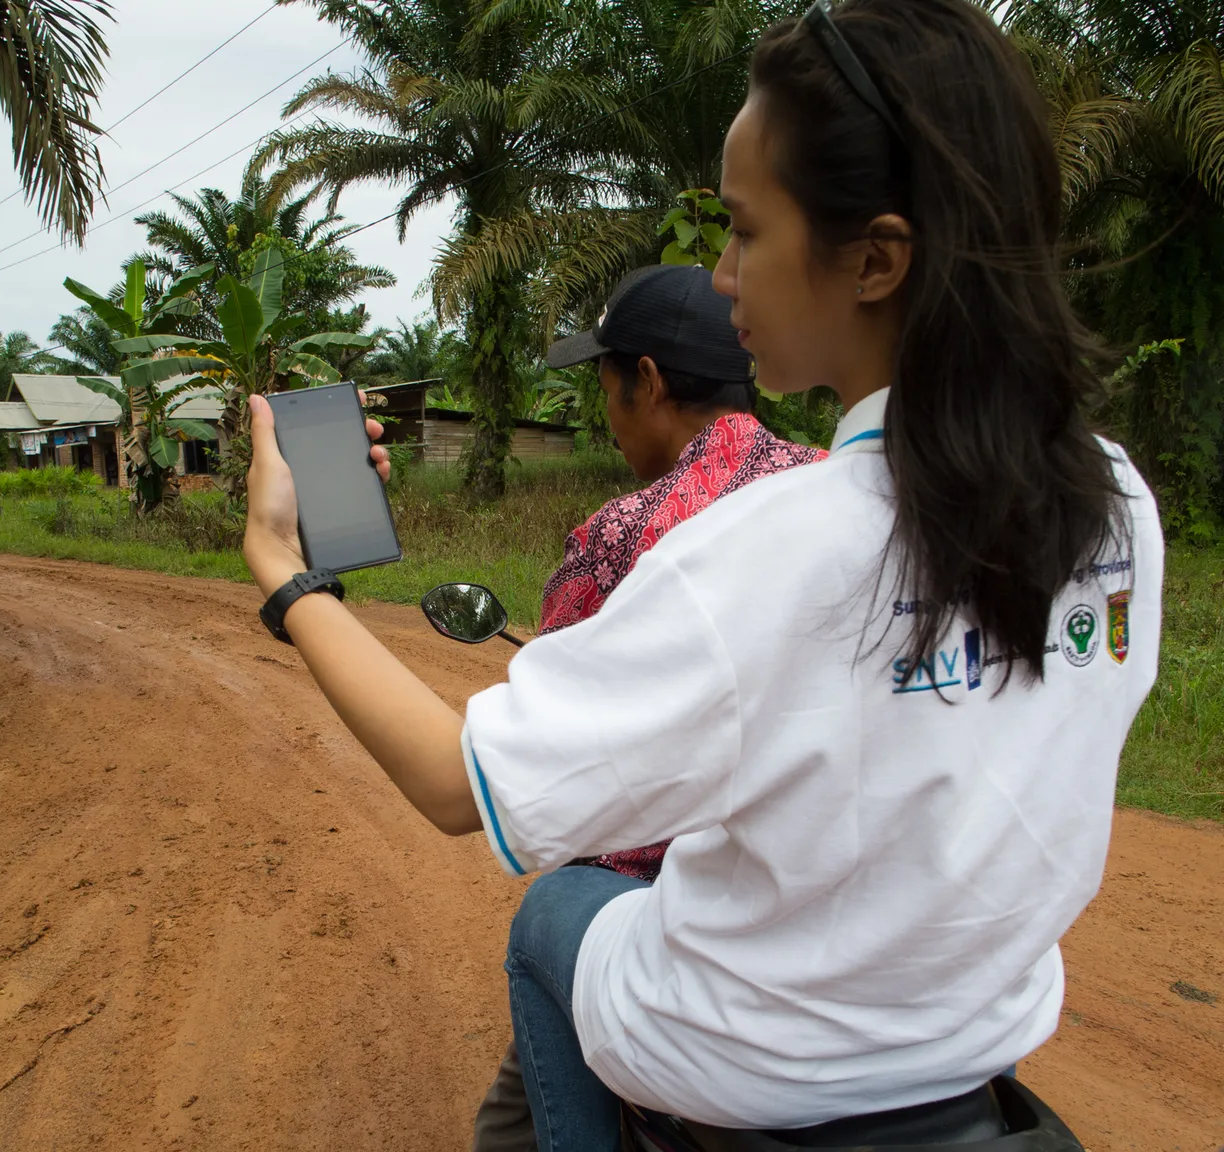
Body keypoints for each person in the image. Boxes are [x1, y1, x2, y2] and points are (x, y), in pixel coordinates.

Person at [239, 0, 1163, 1147]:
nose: (724, 276)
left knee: (559, 912)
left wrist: (286, 571)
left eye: (743, 230)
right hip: (963, 1042)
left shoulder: (768, 547)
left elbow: (453, 784)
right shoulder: (1113, 500)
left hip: (749, 1066)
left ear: (875, 258)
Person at [472, 262, 825, 1152]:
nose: (606, 413)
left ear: (650, 383)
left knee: (552, 913)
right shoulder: (835, 488)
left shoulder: (622, 535)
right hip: (816, 886)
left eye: (606, 387)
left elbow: (560, 766)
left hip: (678, 915)